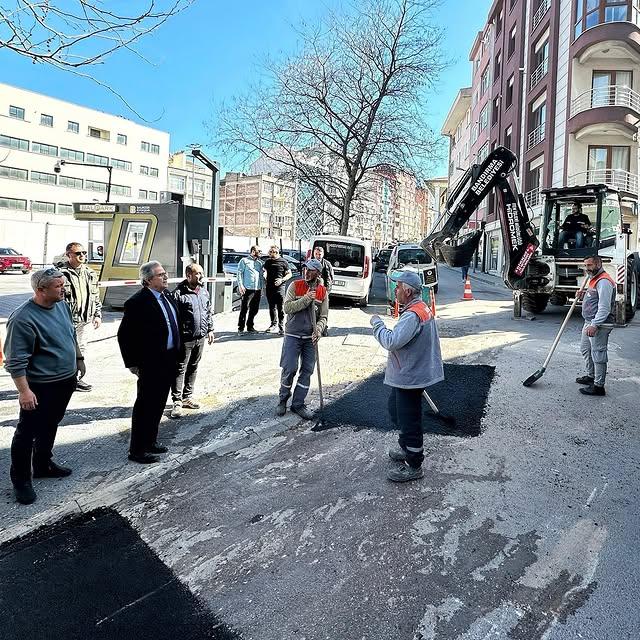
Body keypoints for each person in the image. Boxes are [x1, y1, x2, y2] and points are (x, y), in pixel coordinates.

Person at [4, 268, 85, 504]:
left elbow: (71, 334)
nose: (64, 288)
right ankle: (21, 481)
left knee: (51, 423)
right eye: (59, 285)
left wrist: (78, 359)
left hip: (65, 381)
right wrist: (24, 391)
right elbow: (15, 361)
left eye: (63, 284)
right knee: (26, 432)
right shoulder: (22, 318)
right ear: (41, 290)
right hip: (40, 387)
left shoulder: (61, 305)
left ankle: (42, 464)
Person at [369, 270, 444, 483]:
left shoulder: (412, 315)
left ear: (408, 291)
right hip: (411, 373)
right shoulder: (419, 308)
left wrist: (377, 324)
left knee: (409, 419)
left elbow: (391, 342)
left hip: (410, 376)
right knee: (396, 411)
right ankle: (407, 448)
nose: (395, 289)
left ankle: (414, 464)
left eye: (399, 286)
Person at [117, 261, 182, 464]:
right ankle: (136, 450)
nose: (165, 277)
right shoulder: (137, 302)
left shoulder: (167, 296)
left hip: (169, 358)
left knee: (159, 404)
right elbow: (125, 336)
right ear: (147, 280)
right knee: (145, 406)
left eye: (165, 273)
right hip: (150, 363)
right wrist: (133, 363)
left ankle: (151, 442)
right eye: (160, 275)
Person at [276, 258, 329, 420]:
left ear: (318, 273)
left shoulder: (322, 291)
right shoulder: (295, 285)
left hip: (309, 338)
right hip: (293, 334)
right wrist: (306, 299)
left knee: (307, 371)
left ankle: (298, 404)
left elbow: (324, 316)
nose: (306, 272)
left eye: (311, 270)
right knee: (289, 368)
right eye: (305, 268)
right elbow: (287, 308)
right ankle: (282, 400)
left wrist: (318, 330)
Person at [170, 263, 214, 419]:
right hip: (184, 339)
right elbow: (171, 320)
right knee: (180, 368)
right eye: (198, 274)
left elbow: (208, 312)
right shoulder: (178, 294)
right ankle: (176, 401)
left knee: (193, 367)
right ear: (188, 275)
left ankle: (187, 397)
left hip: (200, 337)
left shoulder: (204, 292)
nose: (201, 276)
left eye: (202, 273)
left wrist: (210, 329)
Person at [57, 241, 102, 392]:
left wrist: (97, 314)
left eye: (84, 253)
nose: (82, 255)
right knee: (64, 350)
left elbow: (96, 295)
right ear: (68, 255)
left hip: (85, 319)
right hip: (65, 320)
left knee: (81, 349)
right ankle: (62, 380)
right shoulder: (60, 274)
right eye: (78, 253)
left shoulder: (90, 273)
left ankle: (75, 379)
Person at [577, 256, 615, 396]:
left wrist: (595, 324)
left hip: (599, 324)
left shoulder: (604, 281)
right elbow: (593, 299)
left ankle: (599, 386)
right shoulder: (593, 279)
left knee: (598, 354)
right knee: (586, 349)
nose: (587, 268)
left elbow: (604, 308)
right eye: (585, 265)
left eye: (590, 265)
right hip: (589, 322)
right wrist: (582, 295)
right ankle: (591, 376)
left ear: (598, 264)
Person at [263, 245, 293, 334]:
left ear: (276, 252)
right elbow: (265, 271)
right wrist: (265, 274)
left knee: (280, 307)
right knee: (271, 307)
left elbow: (289, 274)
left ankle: (281, 326)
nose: (270, 254)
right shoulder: (268, 262)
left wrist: (281, 280)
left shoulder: (283, 262)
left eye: (271, 252)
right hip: (269, 287)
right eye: (270, 252)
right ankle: (273, 324)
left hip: (280, 288)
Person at [237, 246, 264, 334]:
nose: (260, 252)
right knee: (244, 308)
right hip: (248, 288)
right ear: (253, 251)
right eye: (258, 251)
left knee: (254, 309)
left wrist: (262, 288)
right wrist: (241, 285)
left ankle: (250, 326)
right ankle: (240, 328)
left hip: (257, 289)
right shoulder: (244, 261)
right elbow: (239, 273)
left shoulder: (259, 263)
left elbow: (260, 277)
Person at [313, 246, 334, 336]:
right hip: (313, 290)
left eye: (319, 254)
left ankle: (323, 328)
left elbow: (330, 279)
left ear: (323, 254)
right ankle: (313, 328)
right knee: (313, 310)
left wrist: (326, 292)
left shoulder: (327, 264)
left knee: (323, 311)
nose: (318, 256)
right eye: (316, 254)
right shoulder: (311, 263)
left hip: (323, 290)